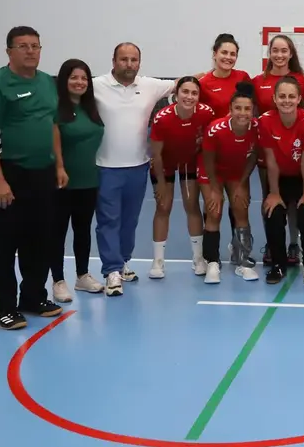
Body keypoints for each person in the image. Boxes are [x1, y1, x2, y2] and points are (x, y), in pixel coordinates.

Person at [0, 26, 65, 329]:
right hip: (9, 173)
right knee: (3, 241)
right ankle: (3, 305)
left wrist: (59, 166)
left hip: (43, 174)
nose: (30, 51)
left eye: (35, 46)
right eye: (23, 46)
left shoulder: (46, 82)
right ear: (9, 51)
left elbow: (52, 126)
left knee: (40, 238)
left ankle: (33, 296)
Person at [92, 43, 176, 296]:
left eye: (134, 59)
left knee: (129, 221)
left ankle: (123, 261)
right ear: (114, 60)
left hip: (138, 168)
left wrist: (218, 68)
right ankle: (111, 271)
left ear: (139, 62)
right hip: (105, 168)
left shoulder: (149, 85)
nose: (129, 64)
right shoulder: (96, 85)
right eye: (124, 59)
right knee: (109, 220)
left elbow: (184, 82)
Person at [257, 77, 304, 284]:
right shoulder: (265, 121)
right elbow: (271, 161)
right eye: (282, 96)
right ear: (274, 98)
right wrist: (274, 193)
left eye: (291, 96)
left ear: (299, 99)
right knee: (272, 212)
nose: (287, 101)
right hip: (280, 177)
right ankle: (278, 264)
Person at [148, 76, 215, 279]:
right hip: (164, 164)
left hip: (189, 162)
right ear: (176, 95)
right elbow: (156, 154)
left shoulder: (206, 113)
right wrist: (160, 182)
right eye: (185, 92)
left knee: (191, 205)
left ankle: (198, 258)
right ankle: (158, 262)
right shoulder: (162, 118)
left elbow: (210, 141)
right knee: (163, 207)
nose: (189, 96)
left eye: (194, 93)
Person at [51, 58, 105, 302]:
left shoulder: (92, 108)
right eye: (74, 77)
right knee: (58, 231)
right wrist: (59, 168)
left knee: (83, 230)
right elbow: (52, 144)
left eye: (84, 78)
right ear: (64, 81)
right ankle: (58, 281)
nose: (79, 82)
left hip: (89, 180)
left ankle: (82, 276)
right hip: (62, 182)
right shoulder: (55, 109)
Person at [253, 34, 304, 267]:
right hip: (268, 150)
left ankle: (294, 243)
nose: (279, 54)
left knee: (294, 201)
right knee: (270, 199)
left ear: (291, 53)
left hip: (294, 152)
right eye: (275, 50)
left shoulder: (302, 79)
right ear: (269, 53)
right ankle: (272, 244)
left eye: (284, 50)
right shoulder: (258, 81)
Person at [199, 82, 260, 284]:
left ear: (253, 110)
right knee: (214, 210)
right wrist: (216, 190)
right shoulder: (216, 129)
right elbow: (208, 160)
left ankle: (242, 261)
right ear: (230, 109)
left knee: (241, 208)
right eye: (238, 108)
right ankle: (212, 262)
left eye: (247, 109)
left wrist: (242, 183)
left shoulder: (256, 129)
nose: (243, 113)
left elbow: (253, 158)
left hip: (237, 173)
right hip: (213, 171)